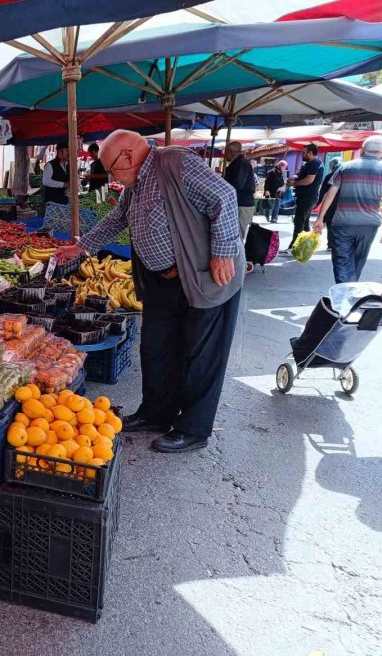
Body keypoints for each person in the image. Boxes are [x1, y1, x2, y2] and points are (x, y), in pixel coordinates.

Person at [57, 129, 245, 454]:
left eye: (113, 169)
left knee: (200, 355)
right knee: (156, 348)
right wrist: (82, 247)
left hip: (201, 277)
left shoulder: (175, 163)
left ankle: (193, 429)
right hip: (160, 281)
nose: (112, 177)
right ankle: (156, 413)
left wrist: (223, 251)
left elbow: (224, 197)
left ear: (127, 156)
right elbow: (118, 218)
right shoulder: (136, 182)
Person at [313, 135, 382, 283]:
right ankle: (350, 291)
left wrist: (320, 218)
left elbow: (330, 194)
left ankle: (345, 293)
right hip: (369, 224)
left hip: (343, 222)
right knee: (359, 260)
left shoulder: (345, 167)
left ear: (363, 149)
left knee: (342, 261)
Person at [285, 143, 323, 252]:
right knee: (304, 223)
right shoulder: (311, 163)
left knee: (299, 222)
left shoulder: (314, 163)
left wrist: (294, 184)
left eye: (304, 152)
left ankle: (294, 247)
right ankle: (306, 246)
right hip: (307, 197)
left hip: (307, 197)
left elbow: (309, 180)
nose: (303, 154)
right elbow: (304, 176)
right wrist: (295, 177)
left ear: (310, 153)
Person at [223, 141, 257, 241]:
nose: (225, 155)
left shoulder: (241, 163)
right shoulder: (238, 163)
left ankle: (237, 256)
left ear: (231, 152)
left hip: (242, 204)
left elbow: (237, 184)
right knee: (236, 234)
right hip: (240, 203)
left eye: (226, 152)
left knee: (238, 235)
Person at [317, 157, 341, 250]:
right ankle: (336, 244)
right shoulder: (347, 177)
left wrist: (318, 203)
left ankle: (331, 244)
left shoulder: (329, 176)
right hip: (342, 206)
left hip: (331, 205)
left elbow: (322, 192)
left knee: (330, 224)